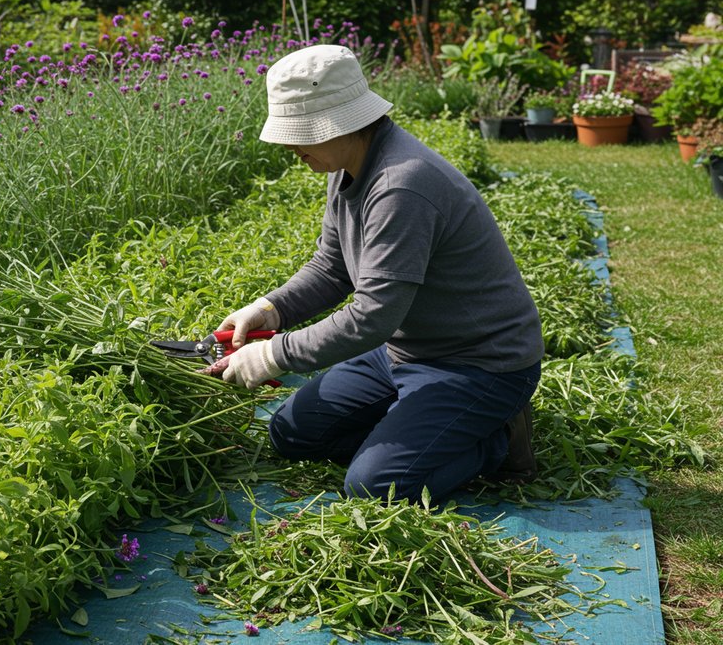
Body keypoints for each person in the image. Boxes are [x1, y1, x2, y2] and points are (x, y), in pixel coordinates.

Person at [211, 44, 544, 503]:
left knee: (376, 486)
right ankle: (422, 426)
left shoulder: (401, 185)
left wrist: (274, 356)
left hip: (478, 363)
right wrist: (271, 309)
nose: (291, 147)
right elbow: (331, 268)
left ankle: (495, 439)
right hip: (405, 350)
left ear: (340, 122)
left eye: (299, 133)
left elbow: (373, 316)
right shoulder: (348, 163)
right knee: (290, 433)